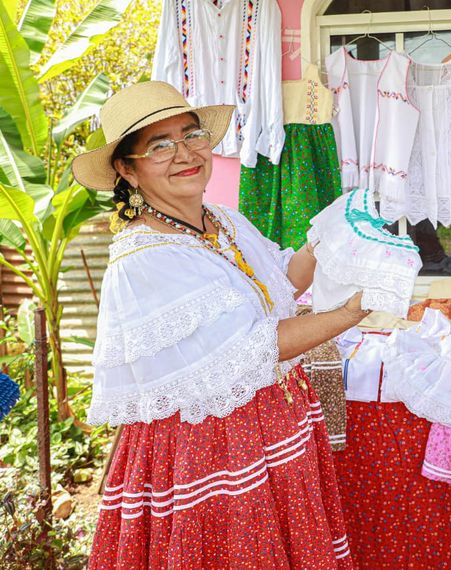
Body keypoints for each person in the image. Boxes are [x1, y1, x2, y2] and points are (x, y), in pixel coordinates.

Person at [71, 81, 364, 568]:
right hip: (213, 449)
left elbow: (278, 285)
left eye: (192, 136)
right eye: (160, 145)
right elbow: (253, 348)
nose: (184, 154)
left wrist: (327, 238)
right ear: (128, 169)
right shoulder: (145, 259)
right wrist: (351, 313)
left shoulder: (222, 221)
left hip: (268, 426)